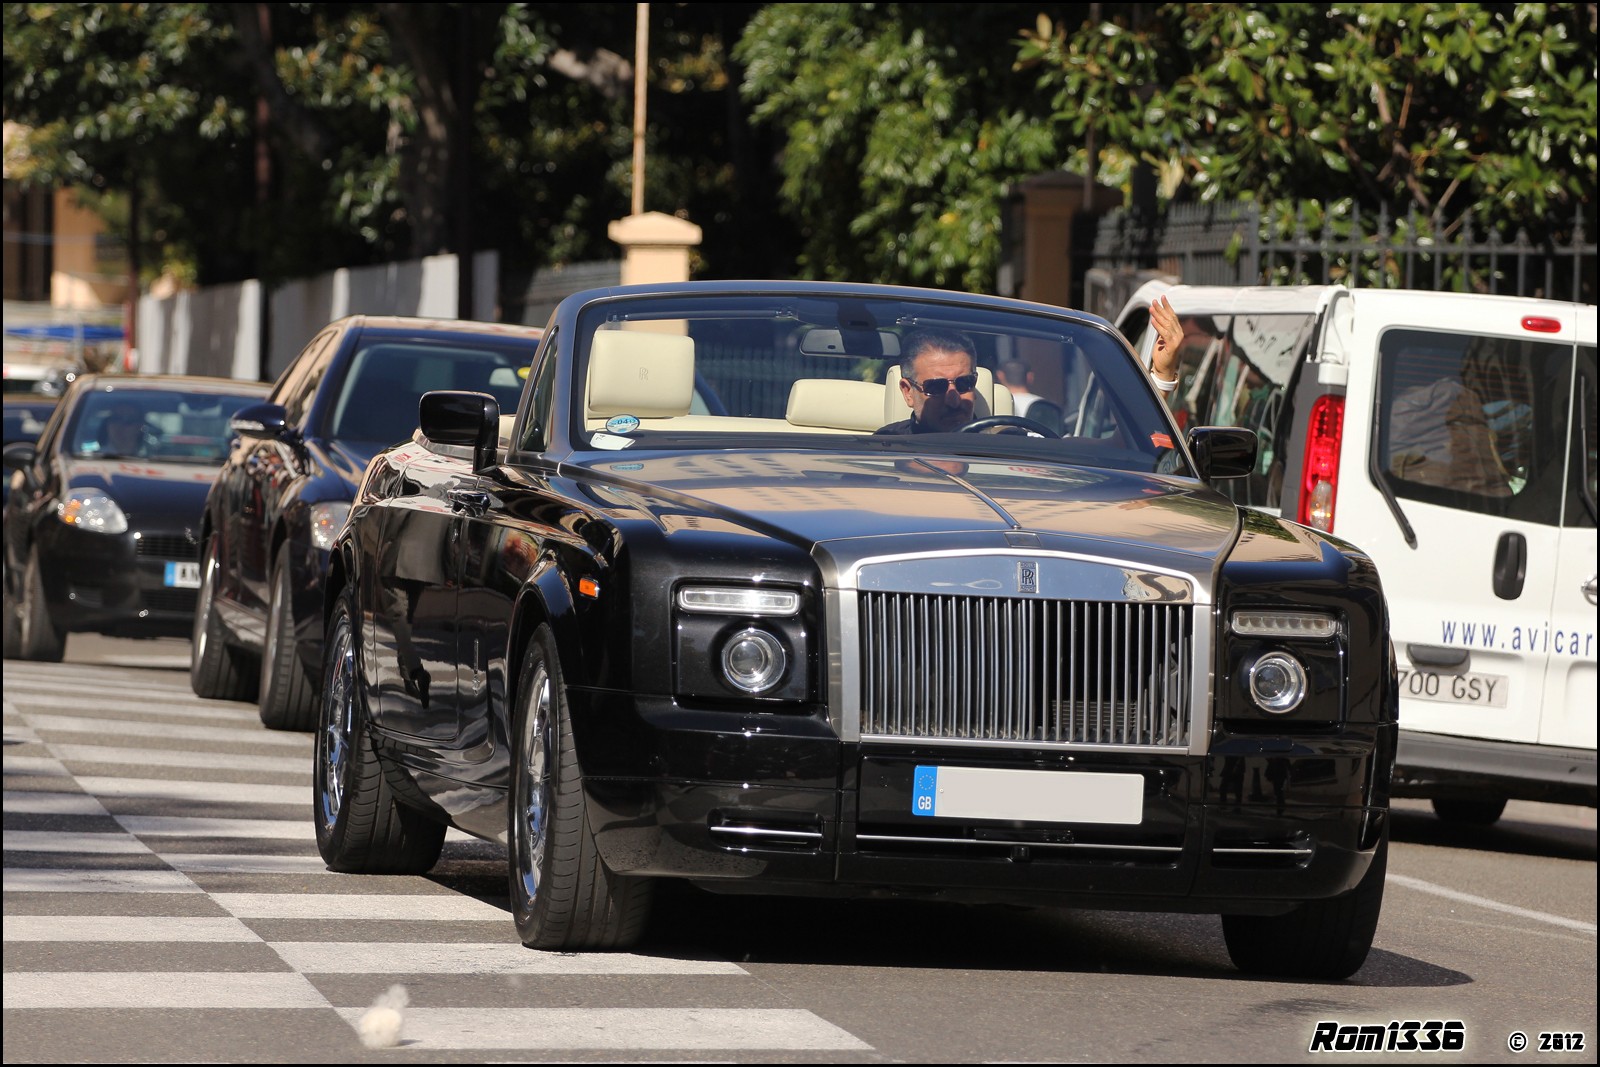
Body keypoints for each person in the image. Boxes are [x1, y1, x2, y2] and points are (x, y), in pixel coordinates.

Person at [875, 330, 980, 434]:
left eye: (964, 383)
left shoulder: (995, 444)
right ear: (908, 392)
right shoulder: (887, 445)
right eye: (936, 387)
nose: (953, 402)